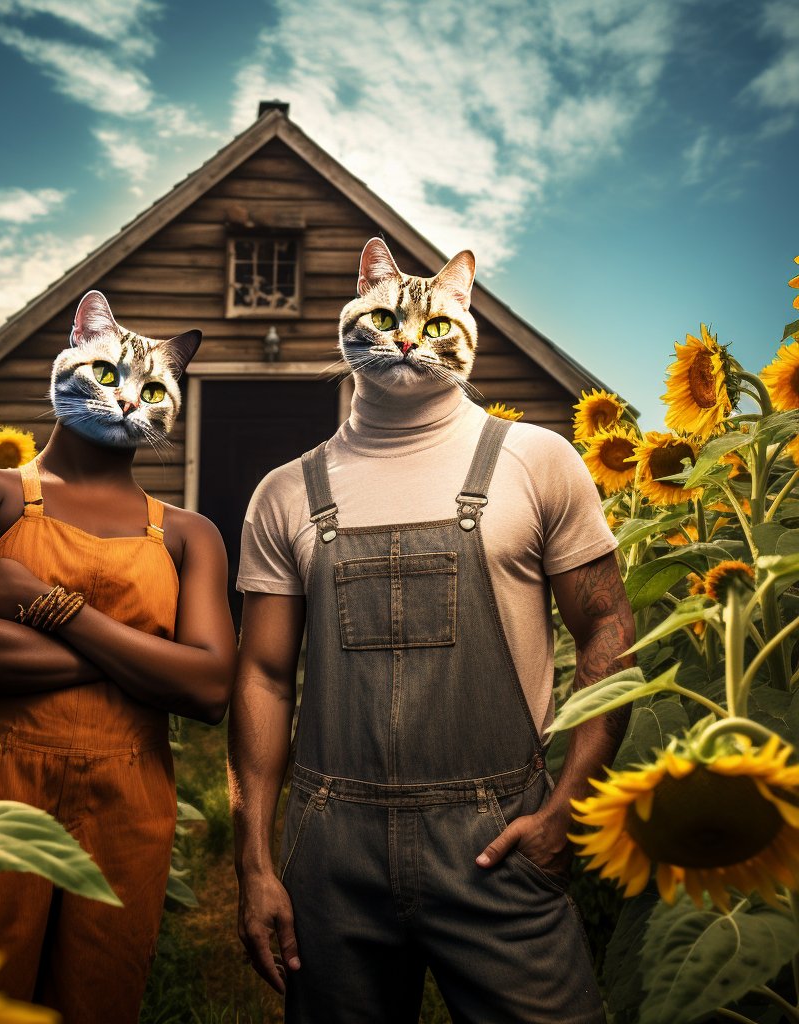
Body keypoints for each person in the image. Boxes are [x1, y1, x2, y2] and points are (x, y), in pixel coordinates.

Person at [228, 239, 635, 1023]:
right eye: (383, 317)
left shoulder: (537, 461)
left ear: (469, 329)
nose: (410, 340)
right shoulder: (285, 492)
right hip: (330, 851)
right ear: (353, 311)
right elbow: (264, 677)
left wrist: (569, 808)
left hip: (500, 838)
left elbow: (608, 626)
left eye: (437, 327)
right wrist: (253, 860)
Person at [0, 290, 237, 1024]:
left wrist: (52, 610)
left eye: (152, 391)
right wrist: (145, 658)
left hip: (129, 798)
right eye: (107, 373)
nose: (125, 402)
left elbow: (209, 690)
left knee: (98, 996)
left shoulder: (190, 533)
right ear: (72, 347)